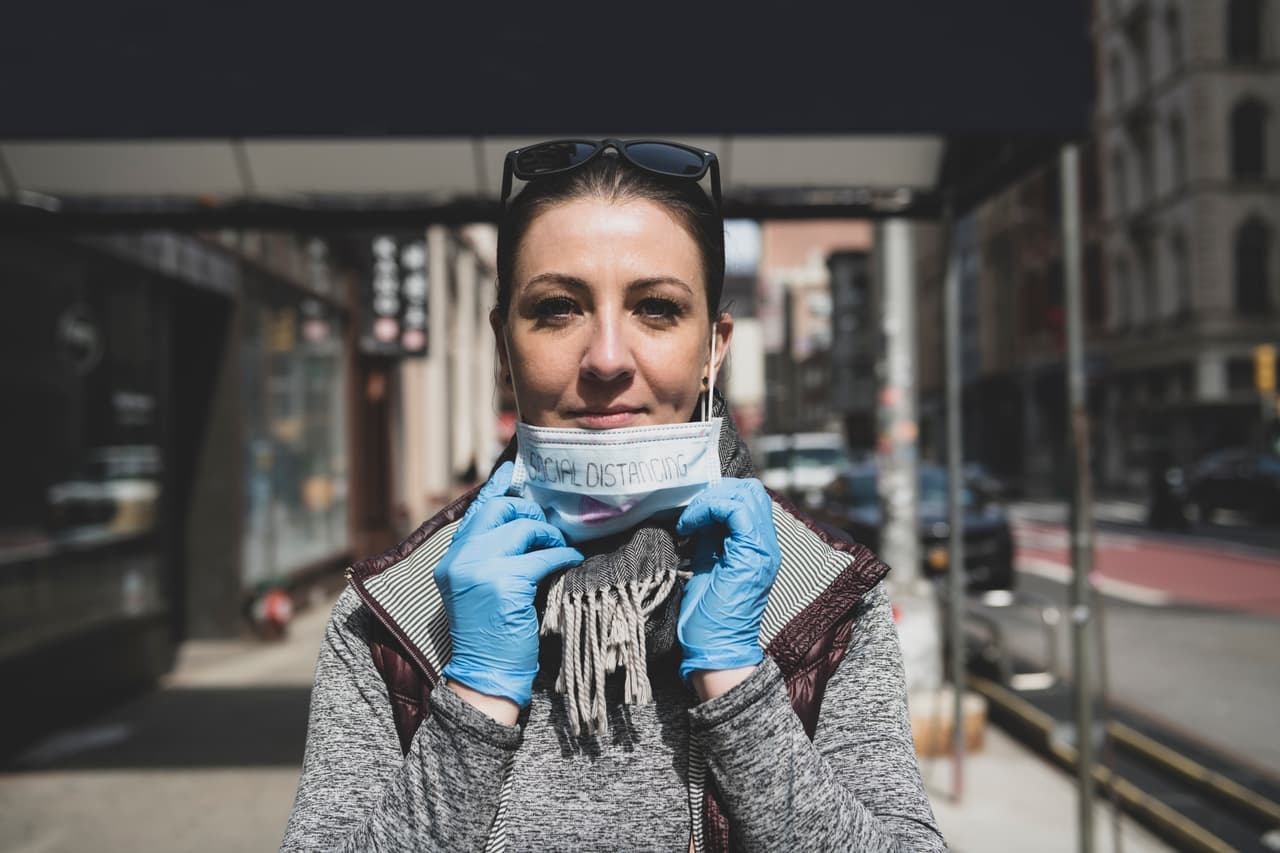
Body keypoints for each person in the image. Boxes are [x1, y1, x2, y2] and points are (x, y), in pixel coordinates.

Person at [281, 139, 946, 852]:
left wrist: (738, 682)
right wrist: (473, 701)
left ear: (714, 349)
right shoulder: (389, 616)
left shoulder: (826, 600)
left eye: (656, 308)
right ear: (504, 343)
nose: (605, 357)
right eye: (558, 308)